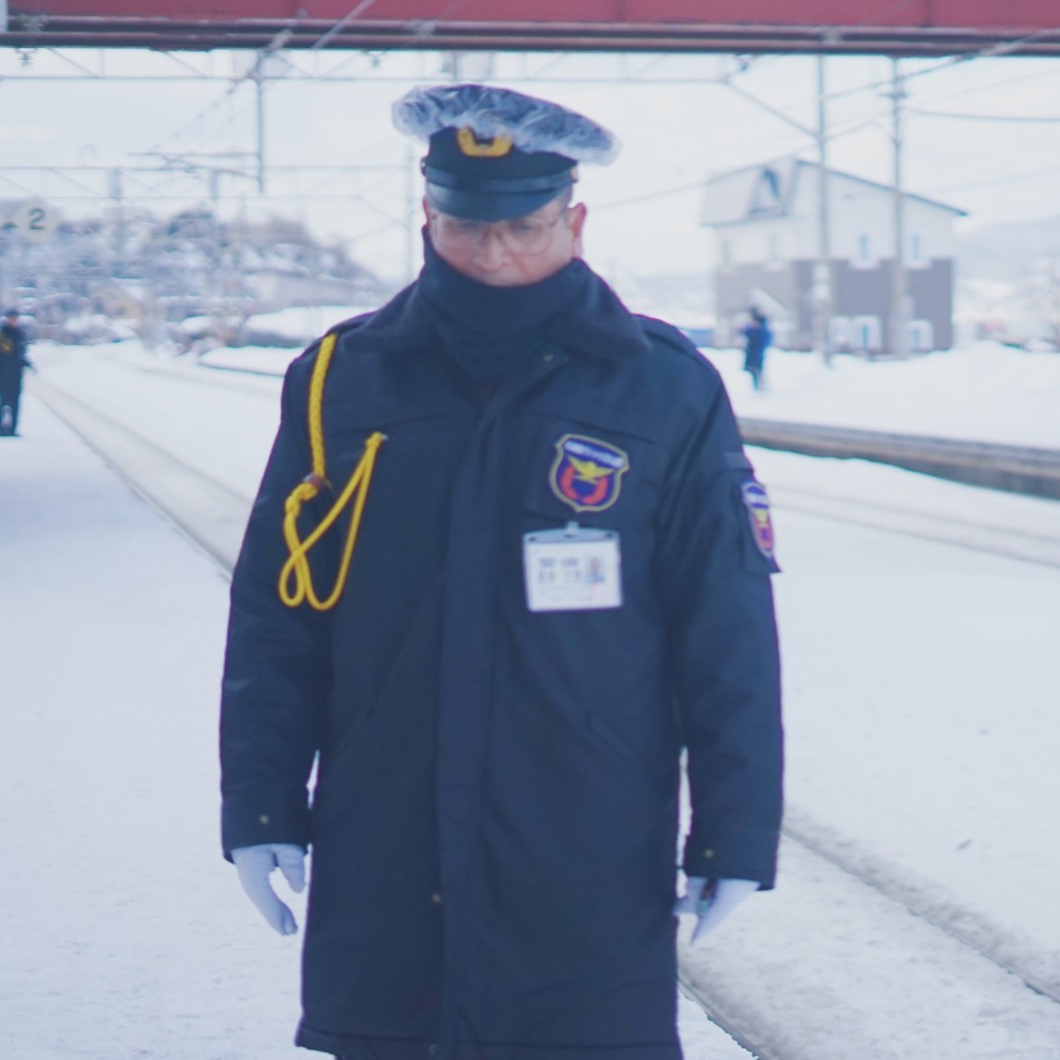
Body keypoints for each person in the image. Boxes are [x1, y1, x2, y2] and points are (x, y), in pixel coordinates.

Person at [219, 85, 784, 1060]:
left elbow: (724, 628)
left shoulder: (663, 386)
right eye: (467, 228)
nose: (493, 255)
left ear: (574, 220)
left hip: (582, 836)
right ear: (427, 214)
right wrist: (259, 801)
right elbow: (277, 618)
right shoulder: (341, 381)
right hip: (388, 829)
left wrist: (736, 829)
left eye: (523, 228)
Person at [0, 309, 31, 436]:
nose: (14, 321)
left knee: (15, 403)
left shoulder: (19, 335)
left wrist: (27, 363)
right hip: (2, 375)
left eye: (15, 319)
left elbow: (20, 355)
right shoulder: (0, 336)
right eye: (11, 318)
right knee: (3, 403)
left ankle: (12, 429)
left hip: (16, 375)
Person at [738, 306, 772, 391]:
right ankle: (759, 386)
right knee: (754, 370)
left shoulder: (762, 330)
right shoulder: (755, 330)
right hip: (753, 352)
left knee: (757, 369)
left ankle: (761, 386)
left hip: (757, 352)